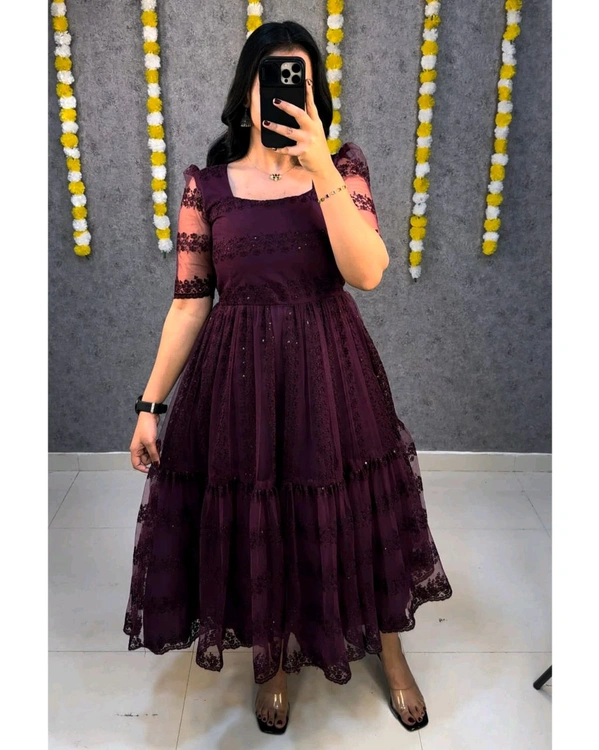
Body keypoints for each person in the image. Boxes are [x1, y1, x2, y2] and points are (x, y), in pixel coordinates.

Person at [123, 20, 452, 736]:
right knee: (259, 519)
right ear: (246, 91)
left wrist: (322, 168)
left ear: (315, 92)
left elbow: (368, 272)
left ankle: (392, 652)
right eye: (271, 76)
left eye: (299, 78)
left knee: (357, 510)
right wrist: (150, 404)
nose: (283, 91)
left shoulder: (342, 167)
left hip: (331, 373)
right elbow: (189, 303)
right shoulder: (207, 186)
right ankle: (269, 661)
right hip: (239, 381)